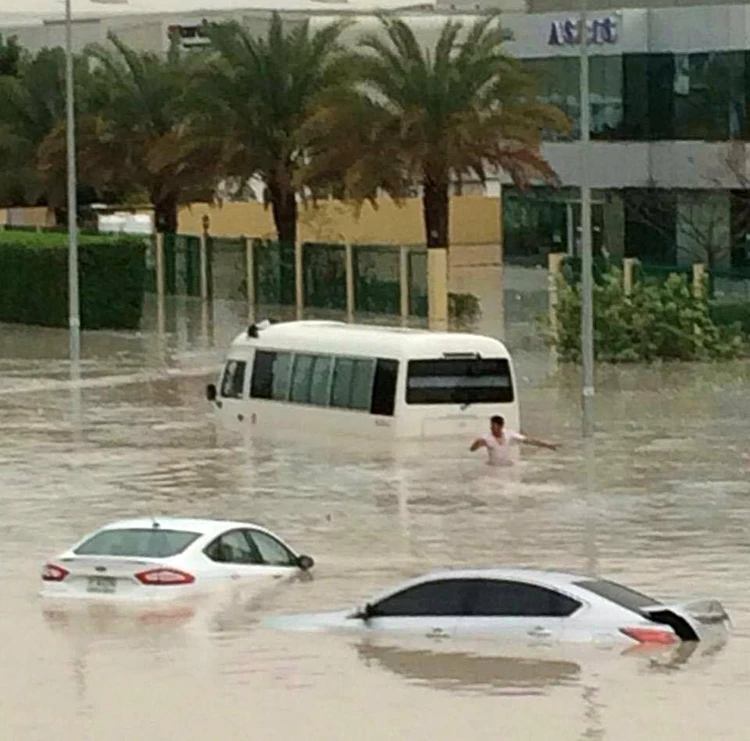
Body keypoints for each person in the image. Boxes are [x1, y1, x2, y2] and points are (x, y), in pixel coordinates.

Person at [470, 415, 559, 466]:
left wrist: (547, 445)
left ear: (501, 426)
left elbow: (529, 441)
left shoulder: (510, 435)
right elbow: (472, 449)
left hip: (507, 466)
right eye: (491, 426)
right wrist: (476, 444)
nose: (491, 429)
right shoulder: (486, 438)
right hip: (493, 467)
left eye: (494, 427)